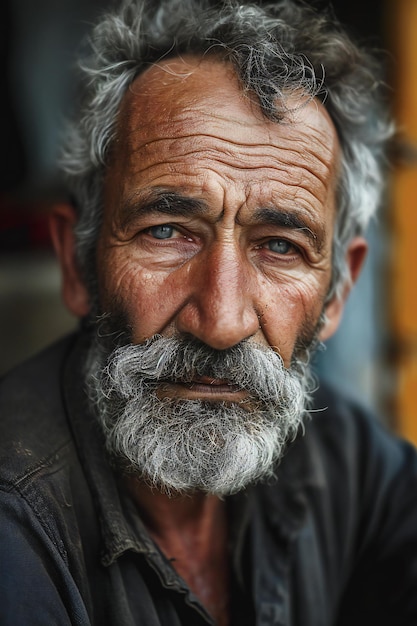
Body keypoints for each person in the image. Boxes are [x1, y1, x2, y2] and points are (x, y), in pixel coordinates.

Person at [1, 0, 416, 624]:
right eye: (167, 232)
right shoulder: (15, 527)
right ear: (76, 263)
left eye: (280, 246)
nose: (221, 321)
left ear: (338, 294)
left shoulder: (343, 460)